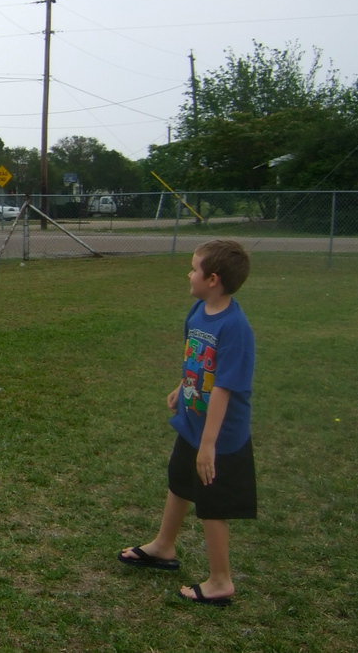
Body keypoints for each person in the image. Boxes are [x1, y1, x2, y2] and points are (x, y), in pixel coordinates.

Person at [118, 239, 257, 607]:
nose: (189, 274)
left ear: (213, 279)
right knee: (180, 482)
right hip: (193, 422)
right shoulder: (198, 311)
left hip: (221, 436)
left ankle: (220, 580)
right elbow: (198, 361)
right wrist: (182, 387)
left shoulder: (235, 327)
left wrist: (209, 445)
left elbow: (225, 388)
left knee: (212, 504)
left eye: (194, 268)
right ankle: (164, 546)